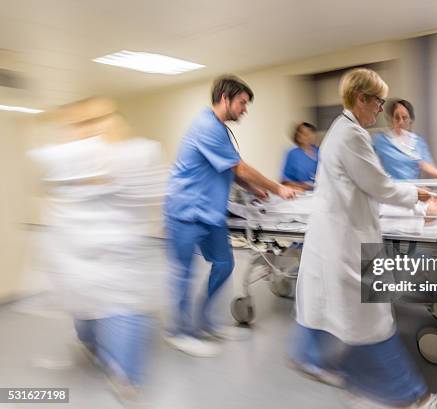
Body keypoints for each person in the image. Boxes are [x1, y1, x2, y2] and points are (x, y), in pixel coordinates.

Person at [290, 68, 437, 409]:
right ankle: (410, 398)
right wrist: (424, 198)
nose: (382, 109)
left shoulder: (342, 130)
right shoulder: (352, 135)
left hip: (336, 233)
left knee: (326, 308)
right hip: (344, 240)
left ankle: (312, 359)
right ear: (362, 99)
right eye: (379, 102)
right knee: (371, 321)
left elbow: (369, 188)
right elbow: (380, 185)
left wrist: (420, 199)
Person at [27, 98, 165, 401]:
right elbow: (52, 185)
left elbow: (149, 192)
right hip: (81, 253)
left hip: (118, 253)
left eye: (97, 119)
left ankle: (125, 375)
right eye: (79, 123)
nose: (88, 128)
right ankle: (104, 356)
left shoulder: (136, 152)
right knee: (90, 307)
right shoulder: (68, 155)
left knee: (121, 310)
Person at [164, 75, 298, 357]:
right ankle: (179, 332)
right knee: (184, 274)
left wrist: (253, 188)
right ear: (225, 99)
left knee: (224, 264)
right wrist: (276, 188)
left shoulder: (221, 130)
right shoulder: (206, 126)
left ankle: (204, 321)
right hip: (185, 211)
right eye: (242, 103)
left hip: (210, 212)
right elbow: (238, 167)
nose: (245, 109)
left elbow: (228, 169)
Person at [373, 99, 437, 187]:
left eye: (404, 118)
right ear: (391, 119)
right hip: (391, 192)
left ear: (410, 120)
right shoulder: (381, 141)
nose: (400, 122)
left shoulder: (418, 142)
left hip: (414, 192)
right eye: (397, 117)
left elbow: (426, 165)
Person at [280, 122, 319, 191]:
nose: (308, 136)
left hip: (321, 192)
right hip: (302, 193)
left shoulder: (320, 151)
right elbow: (285, 181)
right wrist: (303, 186)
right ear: (298, 136)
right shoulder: (293, 154)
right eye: (304, 134)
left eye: (310, 133)